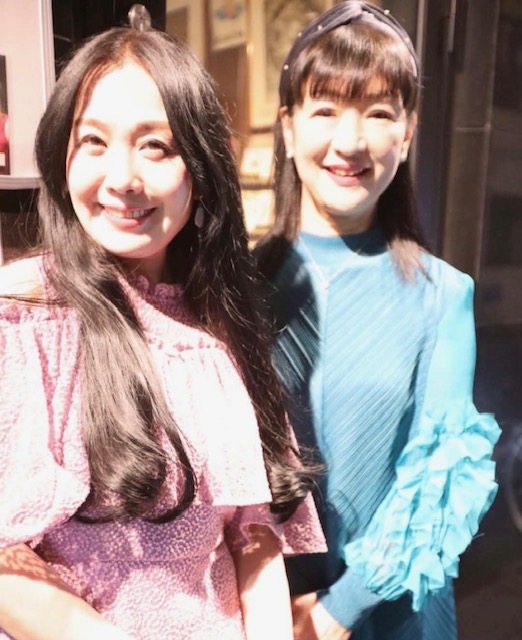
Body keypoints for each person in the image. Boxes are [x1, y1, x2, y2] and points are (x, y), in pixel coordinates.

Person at [0, 26, 326, 640]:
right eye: (92, 141)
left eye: (156, 146)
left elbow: (253, 533)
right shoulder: (23, 313)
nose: (123, 177)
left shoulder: (220, 323)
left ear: (200, 167)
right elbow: (6, 565)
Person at [255, 2, 501, 639]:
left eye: (379, 113)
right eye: (326, 110)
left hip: (394, 616)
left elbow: (441, 478)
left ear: (408, 133)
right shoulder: (234, 288)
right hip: (257, 610)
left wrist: (337, 611)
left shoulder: (442, 295)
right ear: (288, 127)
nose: (350, 141)